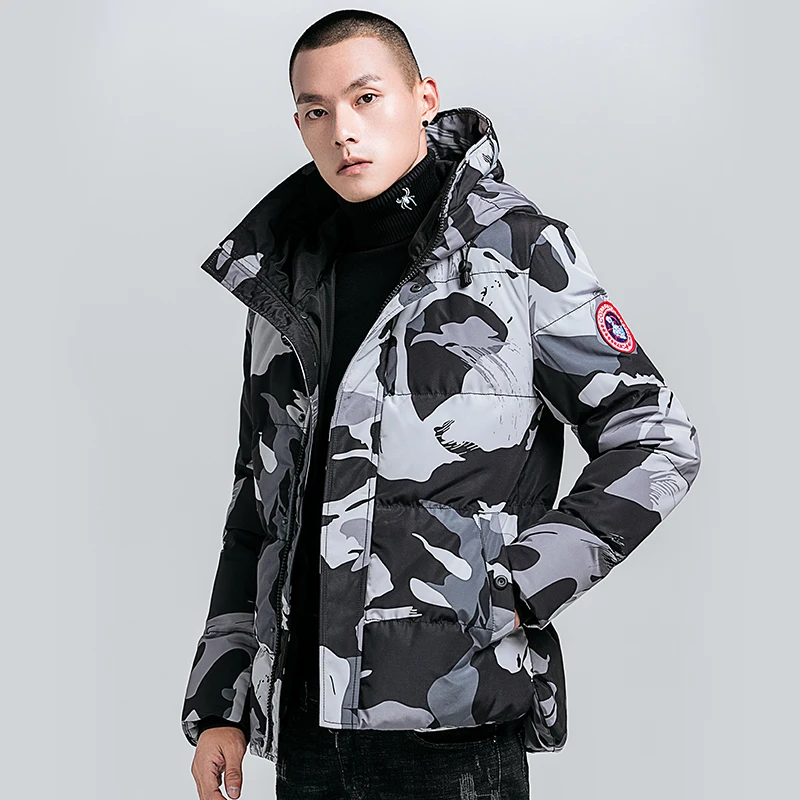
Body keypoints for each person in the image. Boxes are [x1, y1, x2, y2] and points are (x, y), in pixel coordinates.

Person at [181, 9, 702, 800]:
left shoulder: (515, 251)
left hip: (456, 724)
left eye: (366, 98)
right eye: (316, 111)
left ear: (424, 98)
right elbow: (257, 502)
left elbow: (657, 437)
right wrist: (222, 702)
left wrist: (515, 586)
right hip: (308, 726)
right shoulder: (285, 280)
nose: (343, 131)